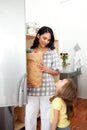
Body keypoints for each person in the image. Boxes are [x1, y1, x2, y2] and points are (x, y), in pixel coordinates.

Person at [25, 26, 61, 130]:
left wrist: (46, 69)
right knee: (29, 118)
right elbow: (25, 70)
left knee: (46, 117)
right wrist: (26, 81)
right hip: (32, 89)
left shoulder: (52, 51)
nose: (46, 41)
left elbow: (57, 72)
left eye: (48, 39)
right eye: (44, 38)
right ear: (38, 35)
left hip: (47, 90)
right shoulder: (29, 51)